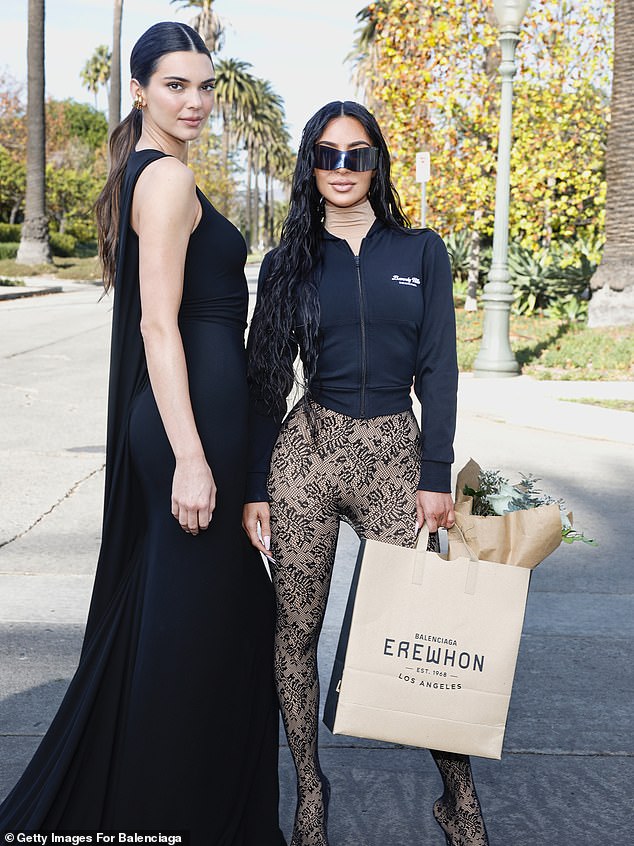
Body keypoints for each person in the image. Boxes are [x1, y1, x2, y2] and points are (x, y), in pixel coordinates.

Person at [0, 22, 285, 845]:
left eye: (203, 86)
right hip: (188, 434)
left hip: (202, 428)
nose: (194, 102)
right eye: (175, 86)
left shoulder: (161, 172)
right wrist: (193, 459)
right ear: (139, 91)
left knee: (198, 627)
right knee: (196, 641)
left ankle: (178, 811)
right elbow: (160, 329)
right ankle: (172, 819)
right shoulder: (162, 182)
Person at [243, 101, 489, 846]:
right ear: (309, 166)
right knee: (296, 632)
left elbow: (439, 371)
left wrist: (437, 472)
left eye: (357, 155)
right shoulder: (288, 260)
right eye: (327, 154)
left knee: (424, 631)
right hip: (307, 455)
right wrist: (257, 482)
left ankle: (461, 800)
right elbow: (264, 381)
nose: (342, 169)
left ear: (376, 163)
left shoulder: (420, 251)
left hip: (392, 455)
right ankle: (310, 792)